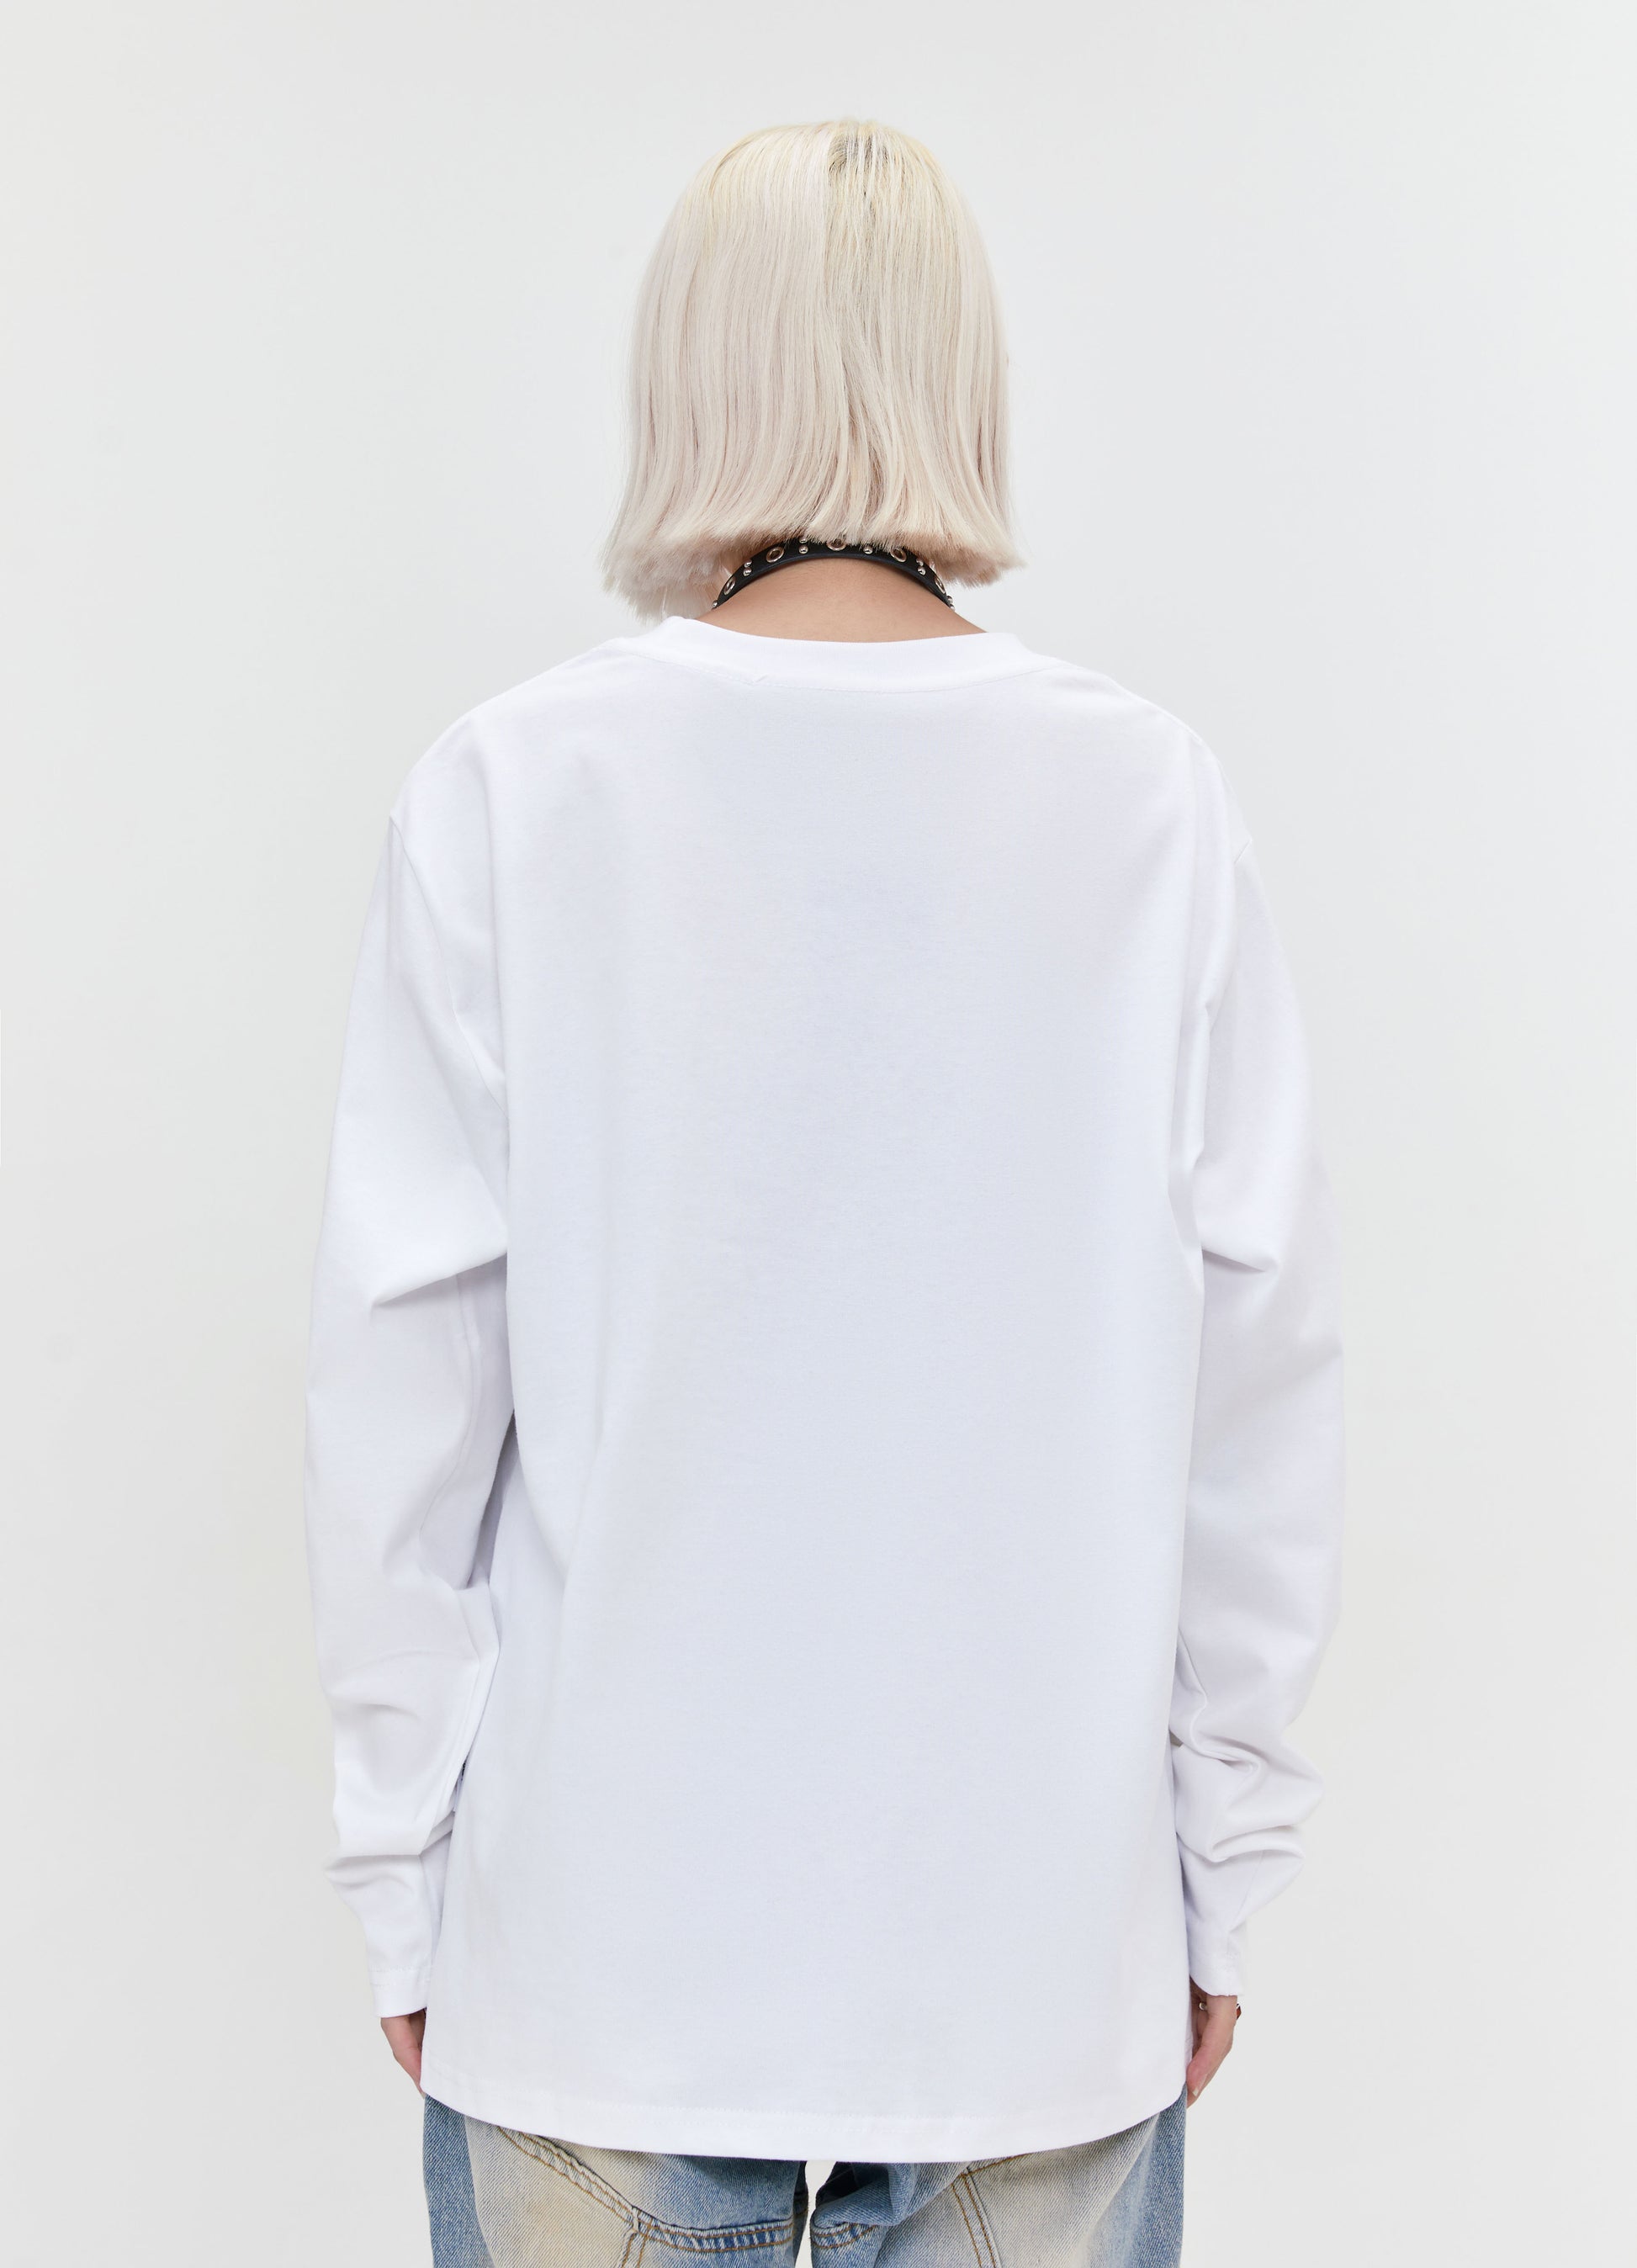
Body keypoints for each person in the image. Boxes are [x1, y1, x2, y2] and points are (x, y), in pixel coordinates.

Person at [305, 119, 1343, 2266]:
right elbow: (1260, 1394)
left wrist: (401, 1866)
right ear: (965, 378)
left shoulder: (517, 786)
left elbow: (403, 1393)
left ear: (681, 372)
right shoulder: (1144, 802)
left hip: (596, 1958)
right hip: (1034, 1961)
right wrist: (1217, 1861)